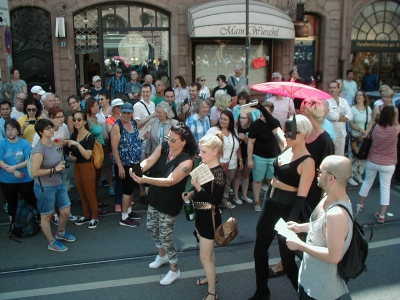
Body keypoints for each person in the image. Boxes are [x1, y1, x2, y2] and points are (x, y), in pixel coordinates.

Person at [248, 114, 315, 300]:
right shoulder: (287, 148)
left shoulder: (308, 162)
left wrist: (290, 224)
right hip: (269, 205)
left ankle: (305, 296)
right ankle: (261, 292)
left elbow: (301, 197)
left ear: (303, 135)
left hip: (286, 212)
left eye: (291, 132)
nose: (287, 135)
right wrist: (261, 108)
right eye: (287, 131)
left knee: (287, 261)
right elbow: (275, 127)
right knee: (259, 251)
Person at [130, 123, 195, 285]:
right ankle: (162, 255)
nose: (169, 142)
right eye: (168, 138)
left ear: (183, 142)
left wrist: (145, 179)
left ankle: (174, 269)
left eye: (174, 140)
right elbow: (150, 160)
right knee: (151, 227)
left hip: (170, 201)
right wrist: (138, 168)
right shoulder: (165, 146)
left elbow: (170, 181)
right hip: (156, 196)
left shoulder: (187, 161)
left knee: (166, 236)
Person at [286, 155, 354, 300]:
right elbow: (322, 228)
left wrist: (300, 245)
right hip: (310, 282)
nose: (317, 173)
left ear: (331, 178)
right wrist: (300, 227)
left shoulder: (336, 214)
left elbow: (333, 256)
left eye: (320, 171)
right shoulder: (327, 197)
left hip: (324, 292)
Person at [182, 133, 225, 300]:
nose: (200, 155)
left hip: (210, 217)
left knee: (204, 256)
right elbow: (203, 191)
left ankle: (212, 293)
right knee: (208, 254)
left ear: (215, 152)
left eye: (204, 152)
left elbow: (216, 200)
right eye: (200, 151)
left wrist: (199, 189)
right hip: (201, 214)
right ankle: (211, 277)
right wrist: (191, 193)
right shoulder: (204, 167)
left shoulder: (219, 172)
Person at [31, 119, 76, 252]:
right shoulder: (39, 150)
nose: (51, 130)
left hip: (58, 183)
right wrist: (54, 169)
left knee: (65, 211)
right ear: (40, 132)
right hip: (45, 187)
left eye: (51, 127)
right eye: (48, 128)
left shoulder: (51, 143)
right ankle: (51, 242)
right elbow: (34, 172)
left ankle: (60, 233)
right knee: (46, 215)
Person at [357, 106, 400, 223]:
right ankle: (381, 215)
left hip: (373, 160)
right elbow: (396, 123)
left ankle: (359, 205)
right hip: (389, 163)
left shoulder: (375, 126)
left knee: (367, 182)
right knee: (385, 188)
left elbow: (368, 137)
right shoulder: (395, 128)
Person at [247, 102, 286, 211]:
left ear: (271, 112)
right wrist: (250, 159)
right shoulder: (255, 125)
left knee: (271, 180)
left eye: (267, 111)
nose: (264, 114)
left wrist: (283, 154)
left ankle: (269, 200)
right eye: (262, 111)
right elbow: (250, 143)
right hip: (259, 157)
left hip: (274, 156)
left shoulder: (275, 122)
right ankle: (256, 201)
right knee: (258, 180)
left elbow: (279, 139)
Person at [110, 102, 143, 227]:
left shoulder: (133, 123)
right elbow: (114, 148)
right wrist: (120, 167)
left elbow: (134, 139)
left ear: (132, 113)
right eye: (124, 112)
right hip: (124, 163)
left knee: (131, 187)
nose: (126, 115)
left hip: (134, 162)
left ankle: (129, 211)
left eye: (128, 113)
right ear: (120, 112)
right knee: (126, 190)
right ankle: (124, 217)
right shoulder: (117, 126)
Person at [66, 111, 100, 229]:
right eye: (74, 120)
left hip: (87, 166)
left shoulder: (89, 136)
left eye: (79, 120)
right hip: (77, 166)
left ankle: (94, 217)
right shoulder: (74, 135)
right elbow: (69, 150)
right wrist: (70, 154)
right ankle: (86, 215)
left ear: (85, 121)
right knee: (81, 192)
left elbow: (87, 155)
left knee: (90, 192)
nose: (76, 122)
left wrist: (77, 144)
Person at [0, 120, 37, 221]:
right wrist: (13, 171)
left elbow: (28, 160)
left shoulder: (24, 143)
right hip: (7, 179)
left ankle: (34, 220)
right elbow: (1, 162)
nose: (10, 132)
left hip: (25, 178)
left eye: (12, 129)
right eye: (7, 130)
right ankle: (13, 226)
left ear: (18, 131)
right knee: (11, 202)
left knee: (30, 199)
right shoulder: (2, 143)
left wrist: (14, 167)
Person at [207, 110, 242, 209]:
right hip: (217, 164)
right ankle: (215, 205)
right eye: (221, 118)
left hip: (232, 163)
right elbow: (206, 146)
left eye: (225, 119)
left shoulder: (233, 131)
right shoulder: (213, 130)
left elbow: (238, 146)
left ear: (230, 121)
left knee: (226, 185)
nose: (222, 121)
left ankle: (224, 201)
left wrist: (240, 159)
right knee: (216, 186)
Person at [349, 90, 373, 185]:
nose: (358, 97)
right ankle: (350, 176)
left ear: (364, 97)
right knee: (353, 156)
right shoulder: (352, 109)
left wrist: (367, 132)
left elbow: (371, 121)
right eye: (357, 95)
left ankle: (358, 174)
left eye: (360, 95)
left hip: (365, 136)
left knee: (362, 157)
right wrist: (361, 130)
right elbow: (351, 123)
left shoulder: (368, 109)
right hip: (355, 135)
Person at [105, 98, 123, 212]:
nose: (120, 109)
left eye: (121, 106)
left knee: (127, 178)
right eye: (118, 107)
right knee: (119, 177)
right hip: (116, 151)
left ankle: (125, 199)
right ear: (113, 108)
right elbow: (112, 135)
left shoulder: (125, 118)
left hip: (126, 151)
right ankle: (118, 202)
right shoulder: (109, 120)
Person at [326, 81, 353, 156]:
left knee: (340, 157)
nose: (332, 89)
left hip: (342, 134)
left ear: (338, 89)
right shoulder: (326, 101)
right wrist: (343, 115)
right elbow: (331, 117)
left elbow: (350, 116)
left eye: (334, 87)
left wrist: (337, 117)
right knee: (330, 156)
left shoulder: (344, 101)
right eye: (330, 88)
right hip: (330, 134)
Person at [232, 111, 253, 205]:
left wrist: (245, 138)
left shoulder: (252, 129)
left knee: (246, 175)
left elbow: (252, 145)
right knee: (237, 175)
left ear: (249, 119)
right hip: (238, 155)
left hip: (248, 155)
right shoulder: (236, 128)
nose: (242, 120)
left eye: (244, 118)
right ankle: (236, 197)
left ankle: (244, 196)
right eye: (241, 117)